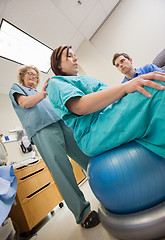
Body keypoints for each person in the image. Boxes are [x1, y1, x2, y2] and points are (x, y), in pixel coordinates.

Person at [9, 65, 100, 228]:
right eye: (29, 74)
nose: (33, 77)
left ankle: (108, 186)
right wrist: (43, 93)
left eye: (35, 76)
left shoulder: (41, 93)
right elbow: (25, 104)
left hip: (61, 122)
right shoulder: (17, 89)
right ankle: (83, 213)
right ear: (22, 76)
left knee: (86, 155)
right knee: (62, 170)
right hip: (42, 129)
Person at [46, 45, 165, 159]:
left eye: (75, 55)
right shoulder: (55, 82)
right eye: (69, 56)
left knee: (154, 84)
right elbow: (80, 106)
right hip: (93, 131)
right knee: (156, 87)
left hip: (109, 114)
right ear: (59, 65)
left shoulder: (83, 79)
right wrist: (125, 87)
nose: (75, 58)